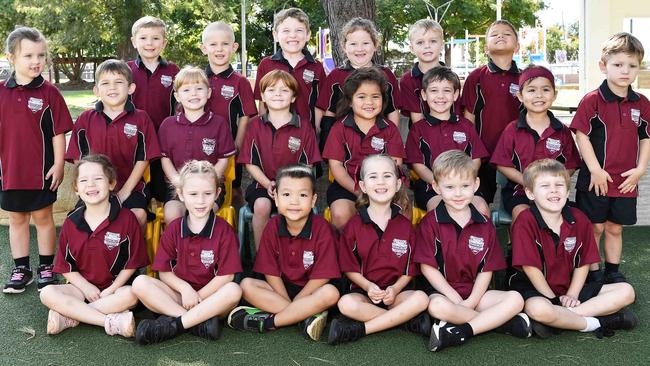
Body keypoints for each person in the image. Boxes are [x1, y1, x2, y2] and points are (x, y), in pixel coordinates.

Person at [415, 151, 530, 352]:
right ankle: (501, 324)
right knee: (436, 307)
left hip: (475, 293)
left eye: (465, 186)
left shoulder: (484, 224)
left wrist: (471, 302)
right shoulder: (429, 223)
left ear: (476, 185)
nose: (458, 194)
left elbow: (487, 270)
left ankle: (462, 331)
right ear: (436, 188)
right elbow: (428, 268)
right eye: (450, 187)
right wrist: (457, 301)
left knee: (516, 299)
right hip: (443, 293)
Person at [509, 159, 637, 338]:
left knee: (626, 291)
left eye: (559, 185)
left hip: (570, 289)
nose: (554, 190)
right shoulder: (525, 221)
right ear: (530, 193)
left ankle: (558, 321)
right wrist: (552, 300)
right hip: (537, 290)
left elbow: (583, 263)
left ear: (567, 191)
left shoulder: (579, 218)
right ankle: (601, 322)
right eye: (545, 185)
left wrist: (572, 294)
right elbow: (530, 268)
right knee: (538, 309)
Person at [132, 160, 243, 345]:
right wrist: (186, 290)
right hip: (180, 296)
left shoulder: (224, 230)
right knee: (140, 283)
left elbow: (226, 276)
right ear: (181, 195)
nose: (200, 201)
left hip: (211, 299)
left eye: (207, 194)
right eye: (193, 194)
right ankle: (197, 323)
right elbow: (164, 272)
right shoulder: (174, 228)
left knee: (234, 290)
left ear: (217, 194)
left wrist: (198, 297)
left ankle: (175, 325)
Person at [570, 32, 650, 284]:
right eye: (618, 64)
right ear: (603, 66)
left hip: (626, 180)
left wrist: (640, 169)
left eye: (632, 65)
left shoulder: (642, 103)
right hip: (596, 179)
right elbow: (581, 135)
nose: (625, 71)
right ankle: (592, 271)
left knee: (615, 228)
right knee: (594, 228)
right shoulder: (592, 100)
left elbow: (645, 137)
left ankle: (612, 271)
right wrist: (594, 169)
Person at [228, 165, 340, 341]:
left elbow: (322, 277)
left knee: (331, 293)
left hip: (312, 291)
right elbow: (269, 271)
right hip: (282, 290)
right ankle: (305, 317)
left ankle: (269, 322)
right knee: (246, 285)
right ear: (277, 199)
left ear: (313, 200)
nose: (294, 202)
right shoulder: (272, 226)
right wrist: (294, 305)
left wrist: (300, 301)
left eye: (302, 195)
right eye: (287, 195)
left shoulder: (322, 228)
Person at [39, 155, 148, 337]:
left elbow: (132, 263)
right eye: (83, 180)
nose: (91, 185)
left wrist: (111, 290)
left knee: (132, 294)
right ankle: (109, 321)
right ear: (76, 189)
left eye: (98, 179)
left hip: (115, 289)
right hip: (80, 289)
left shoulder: (128, 218)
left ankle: (70, 316)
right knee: (47, 293)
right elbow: (66, 267)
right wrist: (86, 288)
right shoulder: (71, 222)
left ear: (111, 184)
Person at [327, 154, 430, 345]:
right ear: (363, 186)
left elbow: (410, 268)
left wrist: (395, 288)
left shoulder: (405, 225)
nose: (381, 182)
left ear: (398, 184)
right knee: (345, 304)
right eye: (373, 176)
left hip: (396, 294)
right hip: (364, 292)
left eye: (387, 176)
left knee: (422, 299)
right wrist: (368, 287)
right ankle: (402, 321)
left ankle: (361, 329)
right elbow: (349, 267)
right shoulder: (354, 225)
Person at [1, 27, 73, 293]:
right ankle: (21, 269)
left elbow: (58, 132)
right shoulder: (0, 92)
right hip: (9, 172)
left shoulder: (50, 93)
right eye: (28, 55)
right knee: (17, 218)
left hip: (41, 171)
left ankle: (45, 266)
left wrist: (58, 164)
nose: (36, 61)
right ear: (11, 57)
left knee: (43, 218)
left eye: (41, 55)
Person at [66, 59, 162, 227]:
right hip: (94, 187)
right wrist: (91, 185)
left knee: (137, 215)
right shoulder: (85, 119)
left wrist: (125, 192)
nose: (112, 87)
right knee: (78, 220)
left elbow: (144, 159)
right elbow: (78, 158)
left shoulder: (141, 118)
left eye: (119, 82)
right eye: (105, 83)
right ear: (96, 90)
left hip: (130, 187)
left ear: (131, 88)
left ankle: (131, 253)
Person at [238, 70, 321, 251]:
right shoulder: (254, 125)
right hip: (263, 185)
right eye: (272, 90)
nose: (277, 94)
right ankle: (263, 258)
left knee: (294, 204)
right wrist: (268, 183)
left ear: (293, 97)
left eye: (284, 90)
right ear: (263, 97)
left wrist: (288, 187)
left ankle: (295, 255)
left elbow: (308, 165)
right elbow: (249, 162)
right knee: (261, 206)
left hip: (296, 186)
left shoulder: (304, 126)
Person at [491, 65, 580, 223]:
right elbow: (501, 163)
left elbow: (571, 164)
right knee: (523, 215)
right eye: (531, 90)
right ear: (520, 95)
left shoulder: (562, 131)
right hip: (519, 191)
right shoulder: (512, 130)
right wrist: (528, 182)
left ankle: (552, 247)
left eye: (546, 90)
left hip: (552, 193)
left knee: (569, 217)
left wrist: (551, 184)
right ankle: (518, 246)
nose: (539, 95)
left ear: (554, 94)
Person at [323, 67, 406, 230]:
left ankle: (389, 252)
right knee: (340, 214)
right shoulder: (339, 128)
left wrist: (381, 191)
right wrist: (359, 191)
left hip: (383, 185)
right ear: (350, 100)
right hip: (348, 186)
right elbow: (336, 167)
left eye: (375, 96)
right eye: (361, 97)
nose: (369, 102)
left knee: (402, 209)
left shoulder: (390, 129)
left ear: (383, 99)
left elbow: (396, 164)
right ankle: (343, 254)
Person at [405, 66, 489, 214]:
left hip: (464, 185)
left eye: (447, 90)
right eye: (434, 90)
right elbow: (417, 165)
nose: (440, 96)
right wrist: (440, 183)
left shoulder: (466, 126)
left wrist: (461, 182)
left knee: (481, 208)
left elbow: (475, 159)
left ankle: (479, 237)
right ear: (424, 94)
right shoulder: (418, 129)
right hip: (431, 187)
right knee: (438, 209)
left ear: (456, 94)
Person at [158, 66, 236, 223]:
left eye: (199, 88)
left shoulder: (219, 123)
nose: (193, 93)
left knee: (202, 217)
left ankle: (207, 247)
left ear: (208, 93)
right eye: (186, 90)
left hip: (209, 190)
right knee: (172, 214)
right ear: (177, 96)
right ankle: (180, 247)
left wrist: (209, 181)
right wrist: (178, 182)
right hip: (178, 189)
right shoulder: (168, 125)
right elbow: (164, 158)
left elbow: (223, 160)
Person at [316, 17, 401, 150]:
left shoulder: (386, 75)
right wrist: (324, 141)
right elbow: (327, 112)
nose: (359, 49)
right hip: (343, 142)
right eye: (353, 44)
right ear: (344, 47)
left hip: (377, 140)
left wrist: (392, 141)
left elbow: (393, 110)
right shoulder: (336, 76)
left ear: (375, 45)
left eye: (366, 43)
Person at [461, 19, 521, 205]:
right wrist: (471, 151)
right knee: (479, 202)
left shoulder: (525, 78)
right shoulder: (476, 77)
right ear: (486, 48)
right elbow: (468, 117)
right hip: (483, 152)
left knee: (516, 203)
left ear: (517, 47)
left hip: (515, 153)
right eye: (494, 34)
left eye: (506, 33)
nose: (500, 36)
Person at [201, 21, 257, 207]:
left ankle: (239, 233)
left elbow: (245, 116)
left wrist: (237, 145)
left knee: (233, 189)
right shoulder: (197, 79)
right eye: (213, 44)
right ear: (203, 48)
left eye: (225, 44)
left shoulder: (240, 82)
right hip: (199, 146)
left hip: (230, 146)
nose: (219, 49)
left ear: (234, 47)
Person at [128, 16, 180, 203]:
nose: (149, 43)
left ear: (164, 43)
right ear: (134, 42)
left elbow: (180, 105)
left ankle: (167, 227)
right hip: (132, 142)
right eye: (143, 38)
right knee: (137, 192)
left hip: (163, 142)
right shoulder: (126, 70)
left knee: (163, 192)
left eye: (155, 38)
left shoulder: (173, 71)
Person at [254, 8, 324, 129]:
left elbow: (320, 105)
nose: (292, 35)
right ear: (275, 35)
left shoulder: (317, 67)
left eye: (299, 30)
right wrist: (263, 130)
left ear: (308, 35)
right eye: (286, 30)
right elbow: (262, 102)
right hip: (274, 134)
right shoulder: (266, 64)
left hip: (306, 135)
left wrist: (317, 133)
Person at [399, 19, 448, 124]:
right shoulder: (407, 80)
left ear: (442, 44)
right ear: (412, 48)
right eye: (420, 42)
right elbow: (417, 120)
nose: (427, 46)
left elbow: (455, 112)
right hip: (421, 137)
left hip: (450, 135)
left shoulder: (451, 76)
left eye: (433, 41)